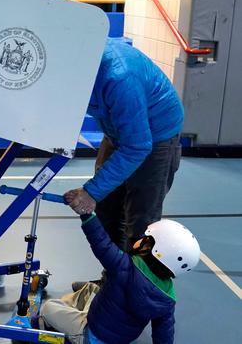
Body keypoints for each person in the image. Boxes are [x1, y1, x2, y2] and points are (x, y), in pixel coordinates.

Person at [65, 38, 183, 287]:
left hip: (156, 136)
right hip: (119, 132)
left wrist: (91, 191)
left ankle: (134, 296)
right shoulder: (74, 60)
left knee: (141, 223)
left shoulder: (120, 78)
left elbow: (138, 145)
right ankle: (114, 285)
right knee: (107, 211)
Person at [39, 206, 201, 344]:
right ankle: (76, 307)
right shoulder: (167, 299)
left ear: (151, 248)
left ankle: (38, 324)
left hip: (89, 333)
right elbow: (164, 334)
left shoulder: (124, 267)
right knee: (92, 289)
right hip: (117, 338)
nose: (140, 239)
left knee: (49, 307)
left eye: (146, 238)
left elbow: (101, 242)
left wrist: (86, 214)